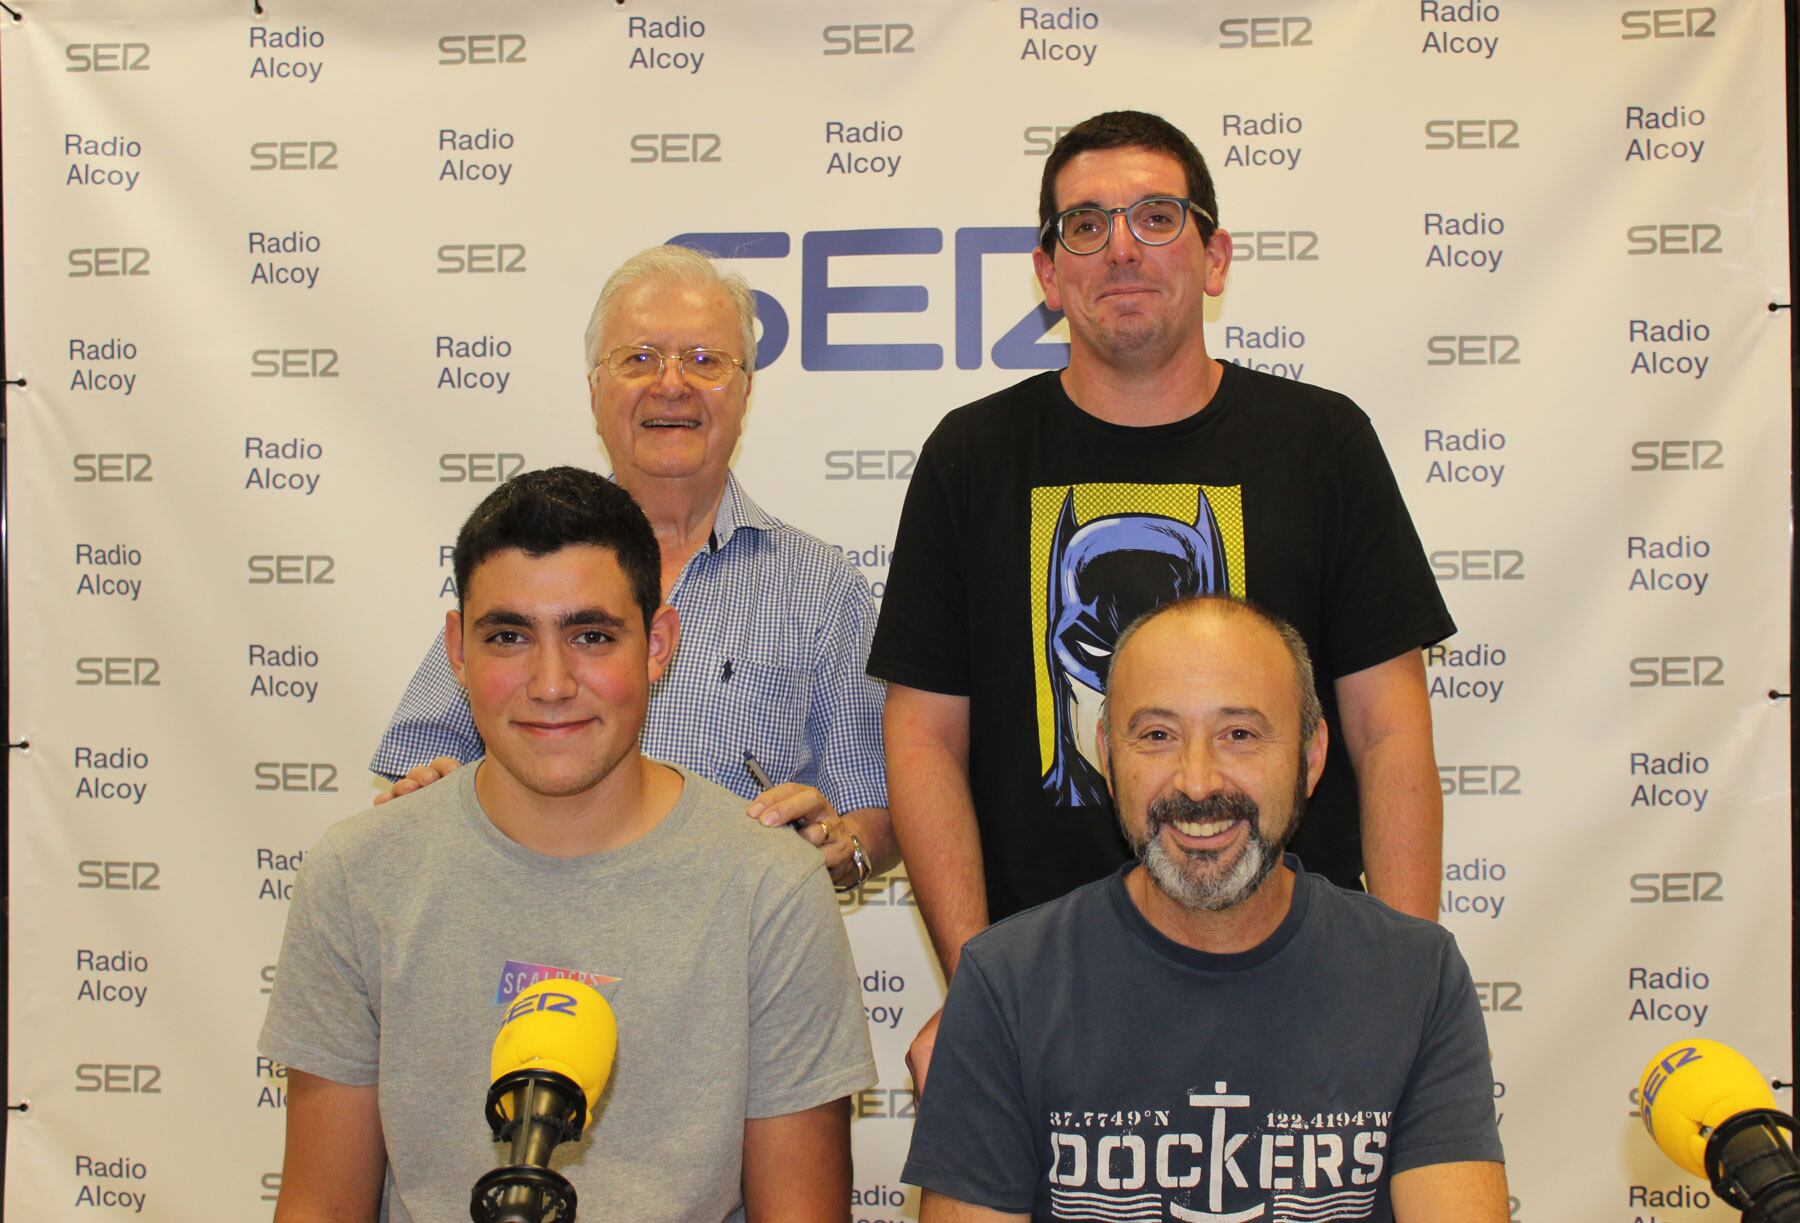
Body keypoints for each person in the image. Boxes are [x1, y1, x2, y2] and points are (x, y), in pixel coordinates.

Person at [868, 110, 1453, 1076]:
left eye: (1157, 216)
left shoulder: (1323, 444)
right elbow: (924, 738)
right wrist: (982, 981)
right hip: (1046, 995)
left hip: (1303, 987)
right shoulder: (970, 458)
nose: (1122, 248)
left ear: (1215, 255)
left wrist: (1400, 985)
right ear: (1049, 274)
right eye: (1086, 226)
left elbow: (1388, 730)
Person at [260, 467, 876, 1221]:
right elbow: (320, 1204)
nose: (551, 683)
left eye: (590, 635)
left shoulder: (769, 887)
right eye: (509, 636)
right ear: (457, 651)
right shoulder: (357, 876)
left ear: (657, 645)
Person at [901, 597, 1506, 1222]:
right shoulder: (1005, 983)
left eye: (1239, 735)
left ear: (1311, 755)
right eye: (1157, 736)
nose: (1196, 782)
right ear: (1108, 756)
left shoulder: (1418, 977)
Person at [373, 245, 892, 890]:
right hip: (520, 940)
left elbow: (875, 804)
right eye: (639, 359)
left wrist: (846, 846)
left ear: (747, 392)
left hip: (721, 954)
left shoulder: (819, 587)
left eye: (705, 361)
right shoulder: (530, 557)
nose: (671, 384)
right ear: (594, 390)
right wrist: (430, 790)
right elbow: (424, 760)